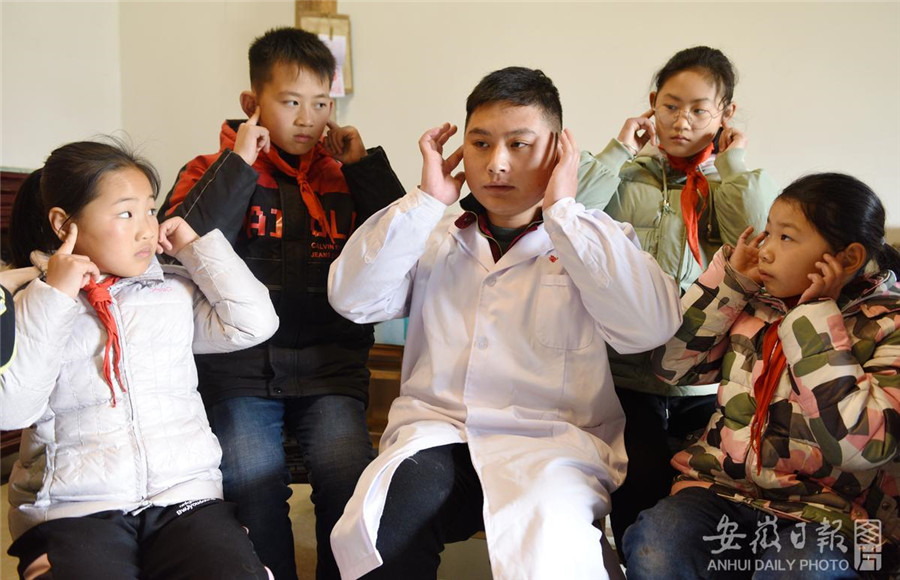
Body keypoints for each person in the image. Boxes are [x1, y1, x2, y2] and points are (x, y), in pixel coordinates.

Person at [327, 66, 683, 580]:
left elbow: (648, 328)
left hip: (553, 446)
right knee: (384, 532)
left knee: (550, 557)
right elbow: (353, 300)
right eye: (481, 143)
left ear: (557, 151)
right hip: (440, 434)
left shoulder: (592, 239)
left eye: (519, 144)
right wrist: (426, 201)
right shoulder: (433, 232)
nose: (497, 163)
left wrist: (564, 213)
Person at [158, 27, 405, 580]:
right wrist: (238, 166)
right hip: (239, 370)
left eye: (321, 104)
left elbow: (401, 244)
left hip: (329, 366)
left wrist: (363, 167)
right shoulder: (210, 167)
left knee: (348, 479)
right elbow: (178, 242)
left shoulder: (342, 174)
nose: (307, 119)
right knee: (252, 486)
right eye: (291, 102)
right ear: (253, 102)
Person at [1, 139, 279, 579]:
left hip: (183, 494)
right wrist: (54, 296)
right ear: (63, 223)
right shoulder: (29, 300)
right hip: (74, 505)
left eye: (150, 209)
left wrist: (195, 248)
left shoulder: (171, 290)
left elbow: (254, 323)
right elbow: (13, 409)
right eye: (126, 214)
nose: (148, 229)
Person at [623, 173, 900, 578]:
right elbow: (670, 366)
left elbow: (862, 446)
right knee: (656, 547)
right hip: (726, 491)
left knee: (799, 569)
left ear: (848, 258)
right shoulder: (759, 303)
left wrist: (813, 318)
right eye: (768, 232)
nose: (766, 250)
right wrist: (730, 284)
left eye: (786, 238)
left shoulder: (888, 324)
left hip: (838, 513)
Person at [576, 46, 778, 552]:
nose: (681, 121)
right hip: (622, 375)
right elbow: (564, 216)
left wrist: (732, 164)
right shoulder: (624, 176)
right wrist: (618, 151)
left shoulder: (729, 183)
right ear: (652, 104)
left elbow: (760, 243)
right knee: (635, 491)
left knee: (697, 510)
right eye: (670, 106)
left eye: (699, 110)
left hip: (704, 381)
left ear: (726, 113)